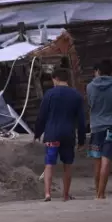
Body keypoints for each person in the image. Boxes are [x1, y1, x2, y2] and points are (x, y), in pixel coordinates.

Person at [33, 64, 85, 201]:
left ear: (55, 79)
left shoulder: (49, 94)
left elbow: (42, 116)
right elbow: (81, 120)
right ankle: (65, 195)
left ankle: (47, 194)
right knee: (67, 164)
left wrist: (37, 133)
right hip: (68, 135)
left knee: (49, 163)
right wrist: (82, 140)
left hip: (52, 134)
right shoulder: (76, 96)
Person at [86, 59, 112, 199]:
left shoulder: (90, 87)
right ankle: (101, 193)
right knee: (106, 159)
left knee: (97, 159)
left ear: (98, 71)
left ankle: (97, 191)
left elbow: (90, 104)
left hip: (96, 127)